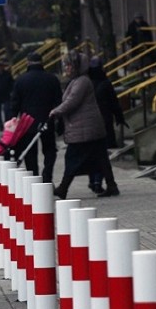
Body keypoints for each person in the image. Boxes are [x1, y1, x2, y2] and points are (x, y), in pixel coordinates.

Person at [49, 51, 119, 199]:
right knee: (101, 158)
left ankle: (63, 188)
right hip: (90, 127)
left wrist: (56, 111)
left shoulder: (82, 81)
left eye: (69, 65)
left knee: (72, 158)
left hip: (85, 129)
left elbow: (72, 101)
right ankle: (112, 185)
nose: (66, 68)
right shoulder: (78, 80)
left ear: (76, 66)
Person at [10, 51, 62, 183]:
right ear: (42, 63)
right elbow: (59, 102)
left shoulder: (21, 80)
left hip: (27, 123)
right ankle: (47, 175)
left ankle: (35, 179)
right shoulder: (52, 79)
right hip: (47, 121)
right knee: (50, 150)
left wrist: (12, 121)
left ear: (27, 63)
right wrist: (59, 121)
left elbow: (15, 104)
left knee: (30, 153)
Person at [87, 56, 126, 193]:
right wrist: (119, 117)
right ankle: (98, 180)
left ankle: (94, 180)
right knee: (102, 155)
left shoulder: (86, 83)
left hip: (90, 124)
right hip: (104, 123)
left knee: (92, 154)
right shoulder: (105, 83)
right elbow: (114, 103)